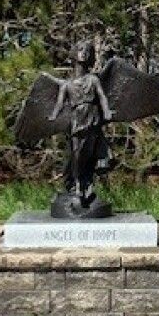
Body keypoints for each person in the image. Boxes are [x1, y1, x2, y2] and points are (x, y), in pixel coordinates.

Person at [50, 40, 114, 210]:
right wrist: (53, 116)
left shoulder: (93, 79)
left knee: (90, 154)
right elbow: (59, 104)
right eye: (79, 50)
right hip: (77, 121)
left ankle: (87, 185)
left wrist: (106, 111)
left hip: (92, 119)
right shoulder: (66, 85)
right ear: (73, 54)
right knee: (77, 154)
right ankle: (77, 184)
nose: (83, 53)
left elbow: (102, 97)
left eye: (87, 50)